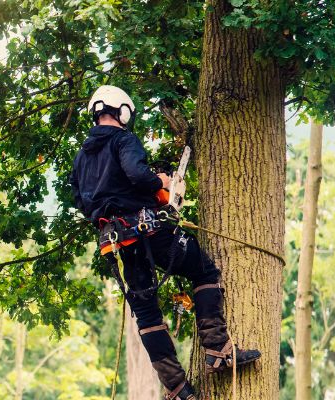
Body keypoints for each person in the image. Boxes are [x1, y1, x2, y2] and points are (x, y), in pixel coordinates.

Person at [69, 85, 261, 400]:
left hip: (116, 243)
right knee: (204, 271)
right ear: (123, 112)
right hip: (147, 230)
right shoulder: (123, 140)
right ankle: (217, 348)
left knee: (146, 313)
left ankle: (176, 387)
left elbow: (81, 199)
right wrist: (161, 181)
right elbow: (136, 175)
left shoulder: (81, 157)